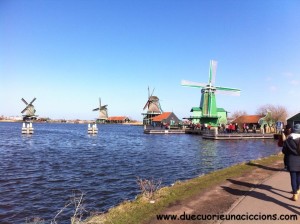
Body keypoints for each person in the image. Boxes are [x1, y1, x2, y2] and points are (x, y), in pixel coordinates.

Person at [282, 124, 300, 201]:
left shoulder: (288, 140)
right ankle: (298, 190)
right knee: (299, 176)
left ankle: (295, 194)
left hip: (291, 161)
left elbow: (284, 151)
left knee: (293, 177)